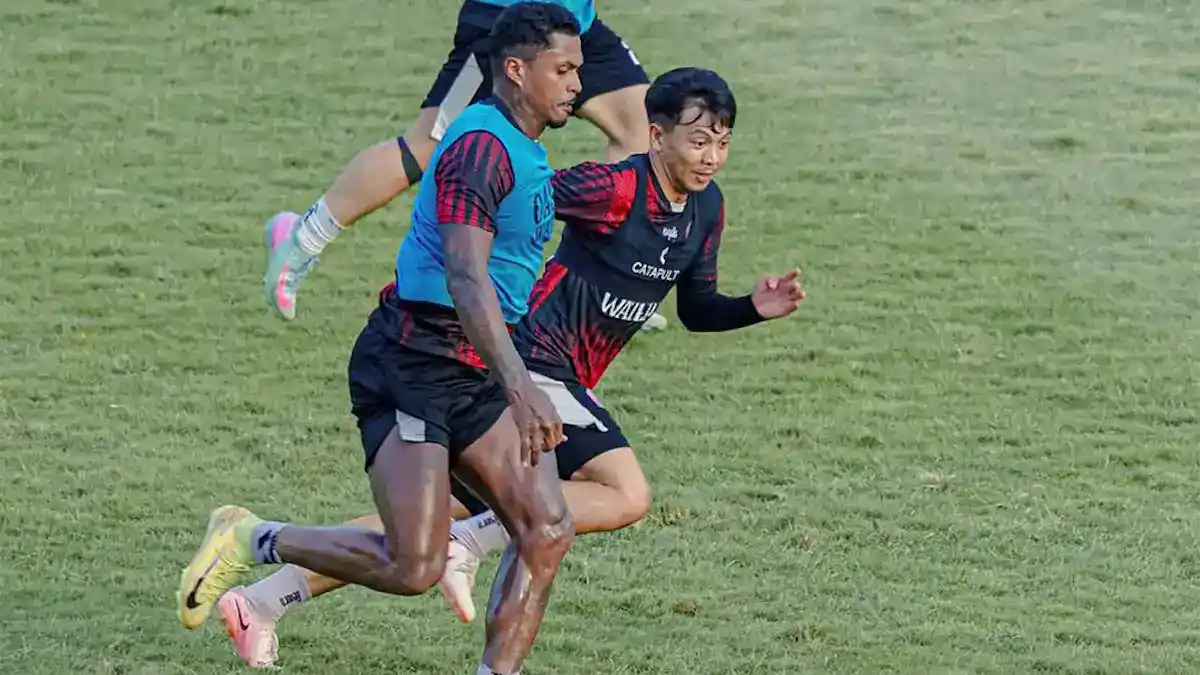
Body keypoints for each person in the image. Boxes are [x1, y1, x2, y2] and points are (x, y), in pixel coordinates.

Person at [212, 66, 806, 669]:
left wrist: (753, 308)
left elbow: (698, 309)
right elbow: (524, 197)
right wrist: (456, 271)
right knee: (624, 494)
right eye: (698, 140)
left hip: (551, 377)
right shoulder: (616, 189)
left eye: (722, 143)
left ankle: (260, 599)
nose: (711, 157)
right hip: (530, 364)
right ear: (656, 137)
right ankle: (468, 549)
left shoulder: (707, 210)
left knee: (426, 526)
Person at [177, 6, 588, 675]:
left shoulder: (526, 145)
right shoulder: (481, 148)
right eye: (564, 69)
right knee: (414, 564)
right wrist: (524, 388)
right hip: (414, 363)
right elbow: (465, 275)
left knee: (547, 527)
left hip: (476, 361)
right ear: (515, 70)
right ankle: (252, 536)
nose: (578, 82)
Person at [261, 0, 668, 330]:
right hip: (506, 25)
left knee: (642, 126)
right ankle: (301, 240)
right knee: (425, 147)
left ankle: (602, 287)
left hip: (573, 25)